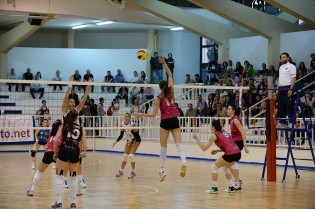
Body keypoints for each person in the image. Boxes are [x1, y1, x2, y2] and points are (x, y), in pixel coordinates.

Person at [136, 56, 187, 182]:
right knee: (179, 143)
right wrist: (165, 64)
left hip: (165, 121)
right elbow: (170, 75)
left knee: (163, 147)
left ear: (159, 87)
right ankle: (184, 162)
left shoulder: (159, 97)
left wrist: (142, 115)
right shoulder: (172, 91)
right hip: (175, 119)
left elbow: (153, 115)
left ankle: (162, 170)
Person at [193, 119, 241, 194]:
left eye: (210, 125)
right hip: (238, 153)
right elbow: (230, 145)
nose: (210, 126)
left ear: (213, 126)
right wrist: (218, 151)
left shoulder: (214, 135)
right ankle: (231, 186)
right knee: (225, 166)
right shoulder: (225, 132)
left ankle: (214, 187)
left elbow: (204, 148)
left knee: (214, 167)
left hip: (231, 154)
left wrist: (197, 139)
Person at [51, 109, 85, 209]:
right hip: (75, 152)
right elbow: (85, 145)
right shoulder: (81, 129)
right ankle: (73, 203)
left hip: (64, 151)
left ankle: (59, 202)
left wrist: (56, 153)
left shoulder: (63, 126)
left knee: (59, 177)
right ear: (77, 117)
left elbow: (55, 140)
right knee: (74, 178)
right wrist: (82, 152)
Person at [27, 119, 63, 196]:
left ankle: (32, 190)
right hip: (56, 154)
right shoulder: (61, 135)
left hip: (48, 153)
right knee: (62, 173)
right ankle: (64, 190)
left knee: (39, 172)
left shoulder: (51, 133)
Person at [112, 113, 142, 179]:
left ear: (130, 118)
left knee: (131, 156)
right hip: (129, 140)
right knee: (125, 156)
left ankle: (133, 172)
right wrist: (115, 142)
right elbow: (121, 135)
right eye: (124, 116)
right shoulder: (122, 124)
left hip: (136, 140)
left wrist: (131, 140)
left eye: (127, 116)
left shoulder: (132, 125)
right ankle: (121, 171)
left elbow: (137, 136)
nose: (125, 117)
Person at [226, 104, 249, 190]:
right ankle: (237, 180)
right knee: (228, 163)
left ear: (233, 111)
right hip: (234, 142)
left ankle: (237, 183)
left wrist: (245, 146)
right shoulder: (232, 120)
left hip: (238, 143)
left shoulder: (235, 120)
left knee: (232, 162)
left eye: (229, 109)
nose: (227, 110)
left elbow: (243, 132)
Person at [276, 52, 296, 127]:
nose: (282, 58)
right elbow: (280, 79)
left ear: (287, 58)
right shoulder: (280, 67)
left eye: (284, 57)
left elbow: (294, 78)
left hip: (288, 87)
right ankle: (282, 123)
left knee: (289, 106)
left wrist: (291, 89)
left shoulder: (291, 66)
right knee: (281, 107)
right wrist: (277, 89)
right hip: (281, 88)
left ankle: (291, 123)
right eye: (281, 57)